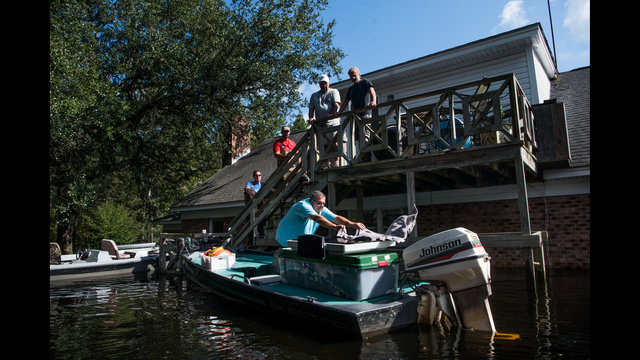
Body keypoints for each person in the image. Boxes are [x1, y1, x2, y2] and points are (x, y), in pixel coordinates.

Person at [274, 190, 366, 247]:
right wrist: (334, 227)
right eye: (319, 203)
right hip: (285, 242)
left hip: (300, 243)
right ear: (311, 201)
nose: (321, 206)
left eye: (323, 203)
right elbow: (317, 218)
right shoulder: (303, 206)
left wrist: (352, 224)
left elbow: (336, 218)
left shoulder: (321, 209)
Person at [308, 74, 342, 168]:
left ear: (328, 83)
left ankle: (336, 163)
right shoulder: (314, 96)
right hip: (321, 124)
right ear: (319, 84)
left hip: (332, 122)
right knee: (324, 145)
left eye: (325, 83)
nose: (323, 85)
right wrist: (311, 118)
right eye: (322, 83)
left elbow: (336, 105)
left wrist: (331, 114)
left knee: (335, 142)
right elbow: (311, 109)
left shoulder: (333, 92)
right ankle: (327, 164)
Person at [244, 170, 266, 236]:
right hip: (251, 208)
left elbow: (271, 189)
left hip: (260, 207)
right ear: (253, 176)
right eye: (256, 175)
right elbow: (247, 189)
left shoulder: (263, 184)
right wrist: (253, 194)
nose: (258, 177)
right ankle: (251, 240)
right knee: (251, 224)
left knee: (262, 221)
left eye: (259, 175)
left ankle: (261, 235)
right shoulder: (250, 184)